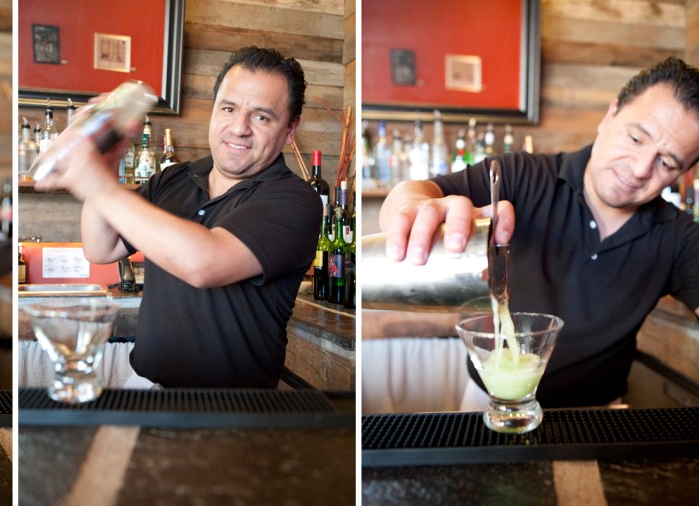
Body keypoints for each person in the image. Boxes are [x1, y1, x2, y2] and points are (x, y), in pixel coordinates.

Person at [379, 56, 699, 408]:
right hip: (489, 400)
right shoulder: (521, 176)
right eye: (636, 138)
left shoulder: (680, 238)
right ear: (611, 115)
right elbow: (413, 193)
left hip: (598, 416)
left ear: (682, 173)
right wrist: (412, 209)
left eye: (666, 162)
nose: (640, 169)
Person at [35, 46, 322, 388]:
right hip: (144, 388)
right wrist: (106, 163)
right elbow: (101, 247)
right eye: (228, 108)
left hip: (231, 406)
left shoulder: (294, 200)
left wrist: (95, 183)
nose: (239, 128)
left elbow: (204, 263)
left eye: (261, 117)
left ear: (290, 129)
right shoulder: (173, 179)